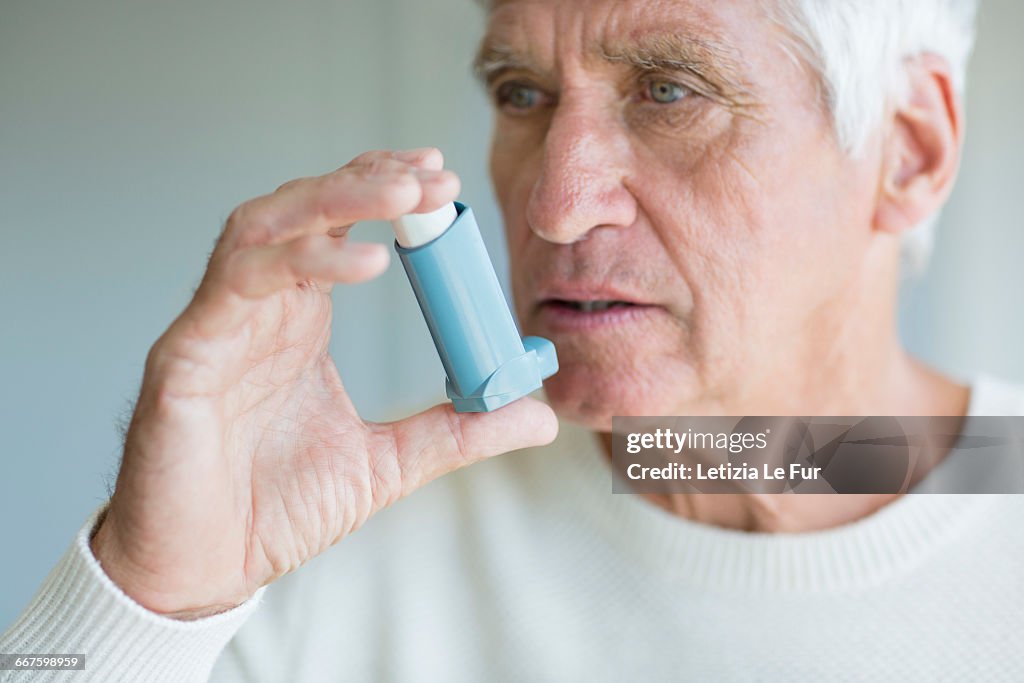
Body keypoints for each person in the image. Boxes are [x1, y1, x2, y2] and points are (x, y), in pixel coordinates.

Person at [3, 0, 1023, 681]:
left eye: (669, 90)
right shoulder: (323, 550)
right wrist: (147, 598)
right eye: (521, 95)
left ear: (908, 154)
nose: (552, 205)